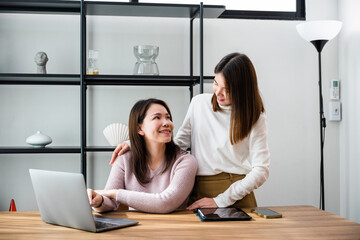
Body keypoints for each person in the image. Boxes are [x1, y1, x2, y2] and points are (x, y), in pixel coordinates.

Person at [110, 53, 270, 210]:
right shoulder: (199, 103)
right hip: (198, 188)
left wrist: (221, 200)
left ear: (242, 90)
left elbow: (261, 170)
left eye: (227, 89)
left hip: (236, 191)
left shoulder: (255, 117)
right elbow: (178, 144)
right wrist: (136, 143)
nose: (218, 92)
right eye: (215, 83)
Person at [88, 98, 198, 213]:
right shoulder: (125, 159)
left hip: (175, 228)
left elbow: (166, 203)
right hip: (136, 227)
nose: (167, 123)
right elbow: (109, 202)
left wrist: (116, 193)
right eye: (157, 117)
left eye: (168, 117)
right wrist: (98, 200)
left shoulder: (186, 161)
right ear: (139, 128)